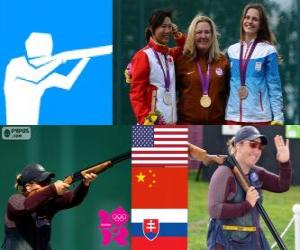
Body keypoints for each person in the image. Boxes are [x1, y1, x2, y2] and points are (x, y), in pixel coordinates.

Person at [207, 126, 291, 249]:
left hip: (254, 240)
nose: (257, 151)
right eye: (252, 144)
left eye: (260, 147)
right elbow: (214, 210)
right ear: (237, 145)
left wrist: (284, 162)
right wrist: (247, 204)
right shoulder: (224, 173)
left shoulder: (257, 173)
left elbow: (282, 185)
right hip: (227, 242)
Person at [2, 163, 97, 250]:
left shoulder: (48, 203)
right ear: (28, 187)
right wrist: (52, 189)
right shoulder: (15, 200)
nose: (47, 185)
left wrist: (85, 183)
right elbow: (26, 206)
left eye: (48, 182)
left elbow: (72, 198)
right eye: (43, 182)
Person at [225, 4, 284, 125]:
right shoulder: (231, 51)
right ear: (243, 20)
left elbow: (274, 87)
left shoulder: (268, 50)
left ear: (261, 25)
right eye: (247, 17)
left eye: (255, 19)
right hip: (233, 116)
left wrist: (278, 117)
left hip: (259, 117)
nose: (249, 21)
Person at [128, 9, 185, 125]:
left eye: (170, 27)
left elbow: (185, 49)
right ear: (152, 29)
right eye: (163, 26)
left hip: (172, 124)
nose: (167, 30)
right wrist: (145, 120)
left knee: (176, 144)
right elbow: (136, 93)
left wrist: (177, 35)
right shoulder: (143, 55)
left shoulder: (168, 54)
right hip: (149, 124)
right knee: (141, 144)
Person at [175, 15, 230, 124]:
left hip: (216, 127)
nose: (203, 36)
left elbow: (232, 94)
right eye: (199, 32)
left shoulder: (223, 61)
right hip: (187, 126)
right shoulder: (182, 60)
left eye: (207, 32)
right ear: (192, 36)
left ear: (213, 35)